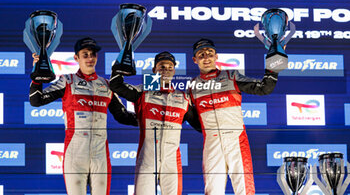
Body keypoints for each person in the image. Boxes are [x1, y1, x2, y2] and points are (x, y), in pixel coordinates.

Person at [29, 37, 137, 195]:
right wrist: (37, 76)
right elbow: (36, 100)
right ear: (76, 58)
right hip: (75, 154)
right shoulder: (67, 81)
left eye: (93, 54)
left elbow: (122, 116)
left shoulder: (107, 85)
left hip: (100, 156)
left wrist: (149, 118)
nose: (90, 58)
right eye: (85, 54)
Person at [189, 38, 279, 195]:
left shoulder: (231, 76)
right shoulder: (192, 86)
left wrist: (274, 61)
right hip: (212, 144)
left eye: (210, 53)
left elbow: (264, 88)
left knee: (244, 189)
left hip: (236, 140)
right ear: (194, 60)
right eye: (201, 54)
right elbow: (193, 119)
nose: (206, 57)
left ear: (216, 57)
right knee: (212, 191)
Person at [109, 51, 201, 195]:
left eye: (170, 67)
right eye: (162, 67)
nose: (166, 70)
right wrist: (120, 65)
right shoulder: (143, 92)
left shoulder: (183, 98)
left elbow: (201, 126)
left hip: (171, 163)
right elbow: (116, 85)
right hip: (147, 160)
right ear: (154, 70)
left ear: (174, 71)